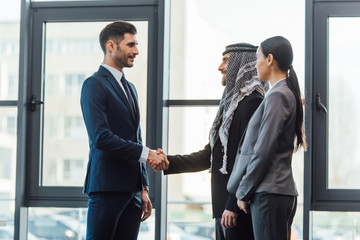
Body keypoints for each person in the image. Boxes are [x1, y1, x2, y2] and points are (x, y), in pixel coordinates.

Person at [157, 43, 269, 240]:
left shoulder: (253, 103)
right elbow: (210, 155)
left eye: (226, 61)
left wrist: (232, 205)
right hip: (224, 210)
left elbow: (250, 160)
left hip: (238, 210)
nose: (220, 67)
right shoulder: (232, 107)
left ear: (242, 64)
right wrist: (167, 161)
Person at [80, 21, 168, 240]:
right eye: (131, 45)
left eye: (136, 45)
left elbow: (135, 136)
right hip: (107, 187)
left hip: (133, 192)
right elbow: (101, 137)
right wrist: (148, 154)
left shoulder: (130, 87)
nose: (136, 51)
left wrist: (143, 187)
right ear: (111, 45)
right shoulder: (93, 85)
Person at [227, 36, 307, 240]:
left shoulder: (278, 95)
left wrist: (243, 191)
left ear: (269, 59)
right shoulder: (285, 92)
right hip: (277, 192)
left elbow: (263, 150)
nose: (255, 64)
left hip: (270, 193)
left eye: (257, 58)